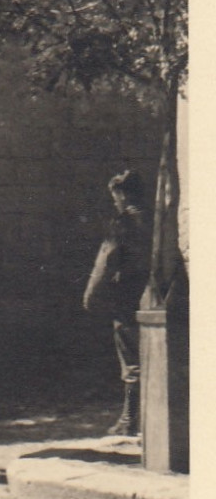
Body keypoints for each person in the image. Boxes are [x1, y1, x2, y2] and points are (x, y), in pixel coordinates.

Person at [84, 169, 151, 436]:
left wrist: (91, 296)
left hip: (128, 298)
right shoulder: (158, 219)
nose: (115, 202)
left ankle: (129, 419)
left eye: (115, 197)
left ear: (122, 194)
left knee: (131, 358)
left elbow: (106, 261)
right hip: (158, 296)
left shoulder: (123, 223)